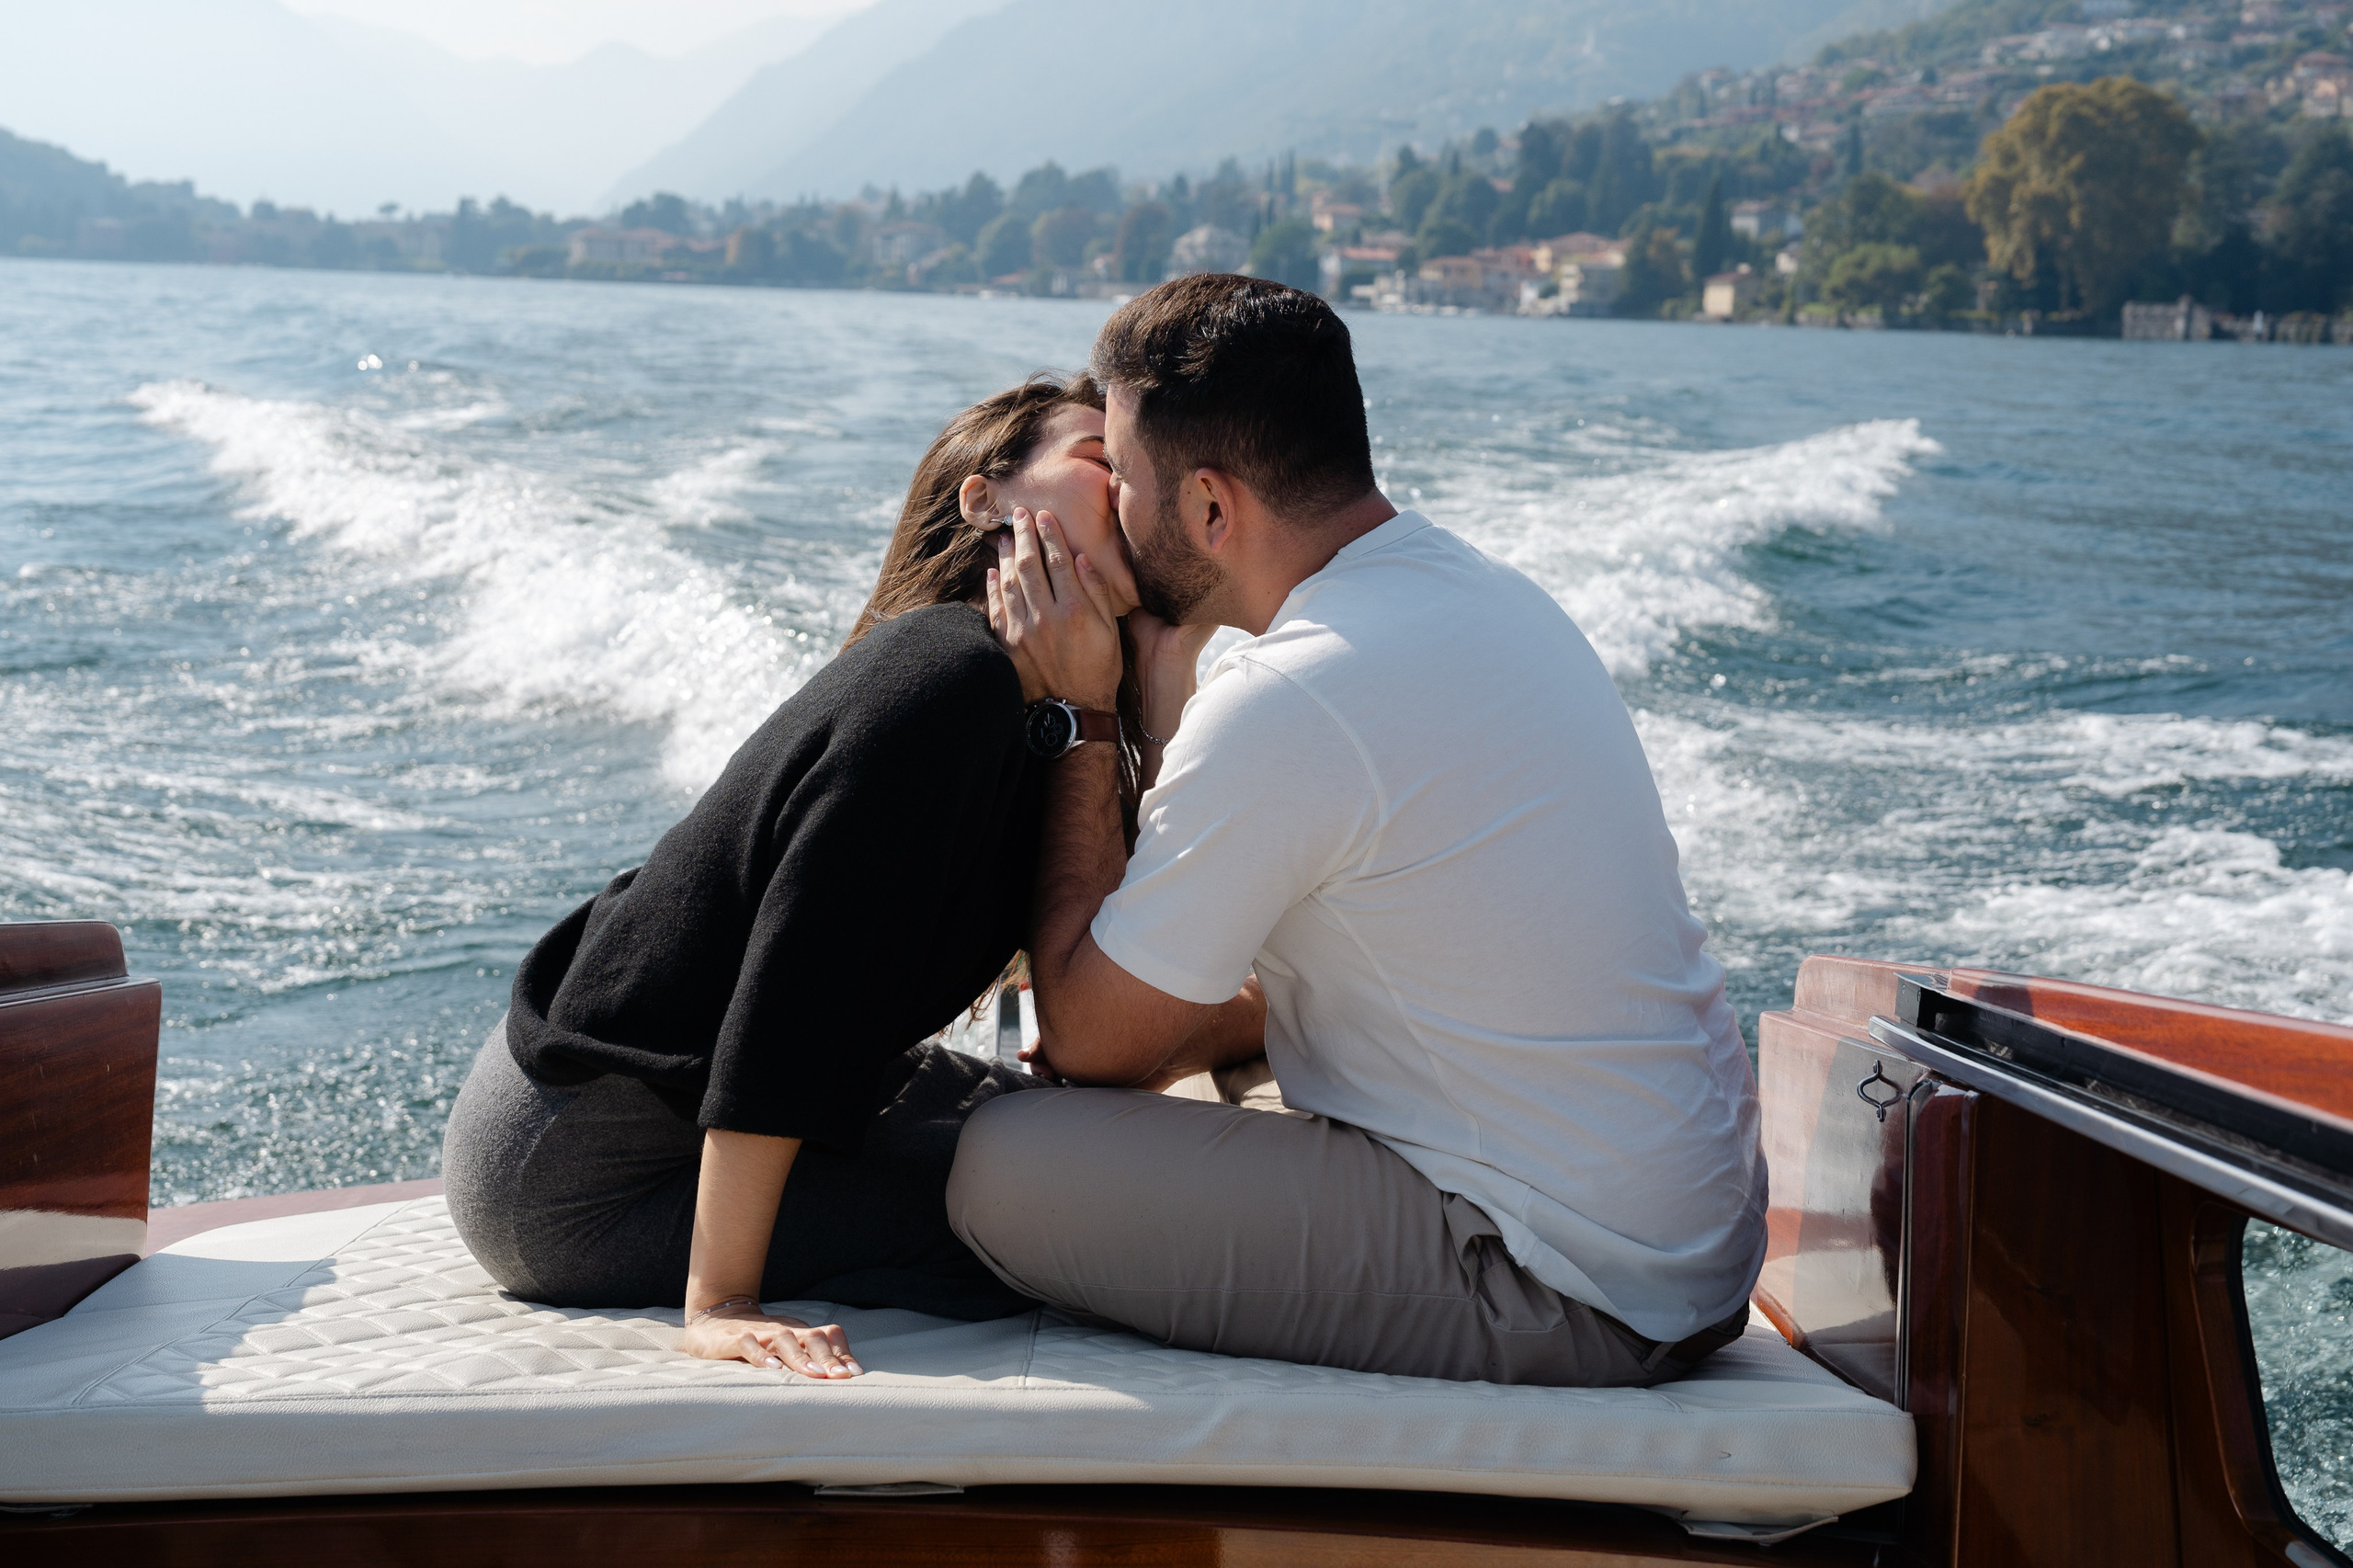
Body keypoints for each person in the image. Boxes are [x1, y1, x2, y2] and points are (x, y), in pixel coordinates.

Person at [951, 275, 1768, 1389]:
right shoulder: (1482, 594)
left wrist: (1087, 715)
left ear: (1209, 509)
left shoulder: (1293, 696)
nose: (1113, 509)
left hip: (1573, 1281)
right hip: (1687, 1238)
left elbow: (1093, 1041)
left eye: (1124, 477)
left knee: (1000, 1164)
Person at [441, 373, 1207, 1380]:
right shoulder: (945, 679)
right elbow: (795, 986)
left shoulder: (1035, 713)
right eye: (1099, 461)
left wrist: (1117, 712)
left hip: (694, 1110)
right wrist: (721, 1301)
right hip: (583, 1166)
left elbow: (1092, 963)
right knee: (1078, 1231)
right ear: (988, 501)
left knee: (1085, 1152)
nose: (1127, 491)